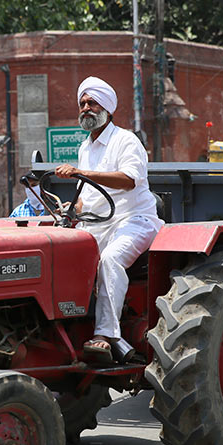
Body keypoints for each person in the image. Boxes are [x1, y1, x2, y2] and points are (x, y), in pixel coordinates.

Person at [55, 76, 163, 361]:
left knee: (111, 260)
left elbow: (128, 180)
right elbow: (86, 196)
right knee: (65, 257)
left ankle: (106, 334)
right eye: (82, 104)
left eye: (92, 103)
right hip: (97, 223)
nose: (86, 108)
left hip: (134, 220)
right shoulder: (84, 147)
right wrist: (72, 209)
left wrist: (82, 173)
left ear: (108, 108)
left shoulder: (126, 141)